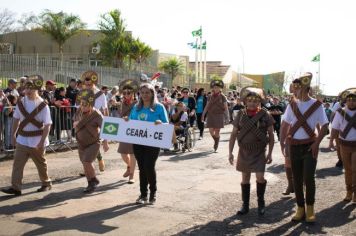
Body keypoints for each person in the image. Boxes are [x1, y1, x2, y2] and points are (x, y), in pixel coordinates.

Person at [280, 73, 329, 223]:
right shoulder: (292, 105)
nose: (295, 90)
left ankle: (310, 208)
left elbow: (325, 125)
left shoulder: (316, 105)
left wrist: (316, 143)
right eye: (295, 88)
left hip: (309, 146)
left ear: (306, 88)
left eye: (298, 88)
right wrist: (283, 143)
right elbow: (285, 124)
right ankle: (300, 208)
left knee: (308, 178)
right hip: (294, 145)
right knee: (297, 179)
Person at [1, 75, 52, 196]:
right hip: (22, 139)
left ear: (37, 89)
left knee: (41, 164)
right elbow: (16, 119)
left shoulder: (43, 105)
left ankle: (46, 183)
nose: (28, 91)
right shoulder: (21, 103)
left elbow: (47, 125)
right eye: (27, 88)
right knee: (17, 164)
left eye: (31, 89)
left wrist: (42, 142)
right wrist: (13, 135)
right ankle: (16, 187)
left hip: (37, 140)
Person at [228, 87, 274, 216]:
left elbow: (271, 136)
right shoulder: (241, 115)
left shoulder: (265, 114)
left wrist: (270, 153)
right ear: (245, 102)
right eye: (250, 100)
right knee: (245, 178)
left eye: (255, 100)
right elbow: (233, 134)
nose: (252, 103)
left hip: (259, 151)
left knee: (260, 177)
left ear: (259, 102)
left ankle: (261, 203)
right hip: (244, 151)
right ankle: (245, 205)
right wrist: (230, 152)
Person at [128, 83, 169, 205]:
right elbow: (130, 122)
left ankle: (153, 193)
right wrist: (126, 121)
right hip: (138, 142)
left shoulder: (159, 107)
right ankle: (143, 194)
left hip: (153, 142)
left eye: (147, 92)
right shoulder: (136, 107)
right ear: (139, 94)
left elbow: (167, 124)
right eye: (142, 92)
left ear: (152, 93)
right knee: (142, 168)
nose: (145, 95)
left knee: (149, 166)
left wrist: (160, 123)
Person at [74, 89, 109, 193]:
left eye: (86, 104)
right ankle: (90, 183)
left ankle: (94, 180)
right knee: (85, 163)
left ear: (91, 104)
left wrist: (105, 143)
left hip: (93, 143)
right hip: (81, 143)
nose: (83, 106)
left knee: (87, 161)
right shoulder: (79, 111)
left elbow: (105, 128)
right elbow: (75, 122)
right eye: (82, 104)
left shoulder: (97, 114)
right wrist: (76, 124)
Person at [330, 88, 356, 203]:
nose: (351, 102)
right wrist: (331, 141)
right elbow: (335, 128)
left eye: (354, 100)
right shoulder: (340, 112)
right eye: (349, 100)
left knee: (355, 169)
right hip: (344, 145)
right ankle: (349, 191)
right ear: (346, 101)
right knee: (348, 170)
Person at [81, 71, 108, 172]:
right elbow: (78, 107)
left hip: (95, 121)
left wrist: (106, 138)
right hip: (84, 120)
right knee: (84, 144)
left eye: (90, 84)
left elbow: (105, 110)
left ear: (94, 83)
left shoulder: (100, 94)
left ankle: (99, 160)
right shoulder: (82, 92)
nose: (88, 86)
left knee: (93, 143)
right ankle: (89, 166)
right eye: (86, 84)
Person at [117, 79, 139, 184]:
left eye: (128, 93)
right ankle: (130, 166)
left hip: (134, 129)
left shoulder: (137, 103)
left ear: (133, 93)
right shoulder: (121, 103)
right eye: (124, 93)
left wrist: (130, 119)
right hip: (124, 129)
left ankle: (132, 176)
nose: (126, 94)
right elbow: (120, 115)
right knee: (123, 153)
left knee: (132, 153)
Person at [202, 80, 228, 152]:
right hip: (211, 115)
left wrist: (227, 117)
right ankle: (216, 140)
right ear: (212, 88)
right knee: (210, 130)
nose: (216, 89)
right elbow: (207, 106)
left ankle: (216, 144)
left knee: (217, 131)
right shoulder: (209, 96)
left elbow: (226, 108)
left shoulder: (223, 97)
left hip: (219, 115)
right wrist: (203, 115)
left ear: (220, 88)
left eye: (217, 87)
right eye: (215, 87)